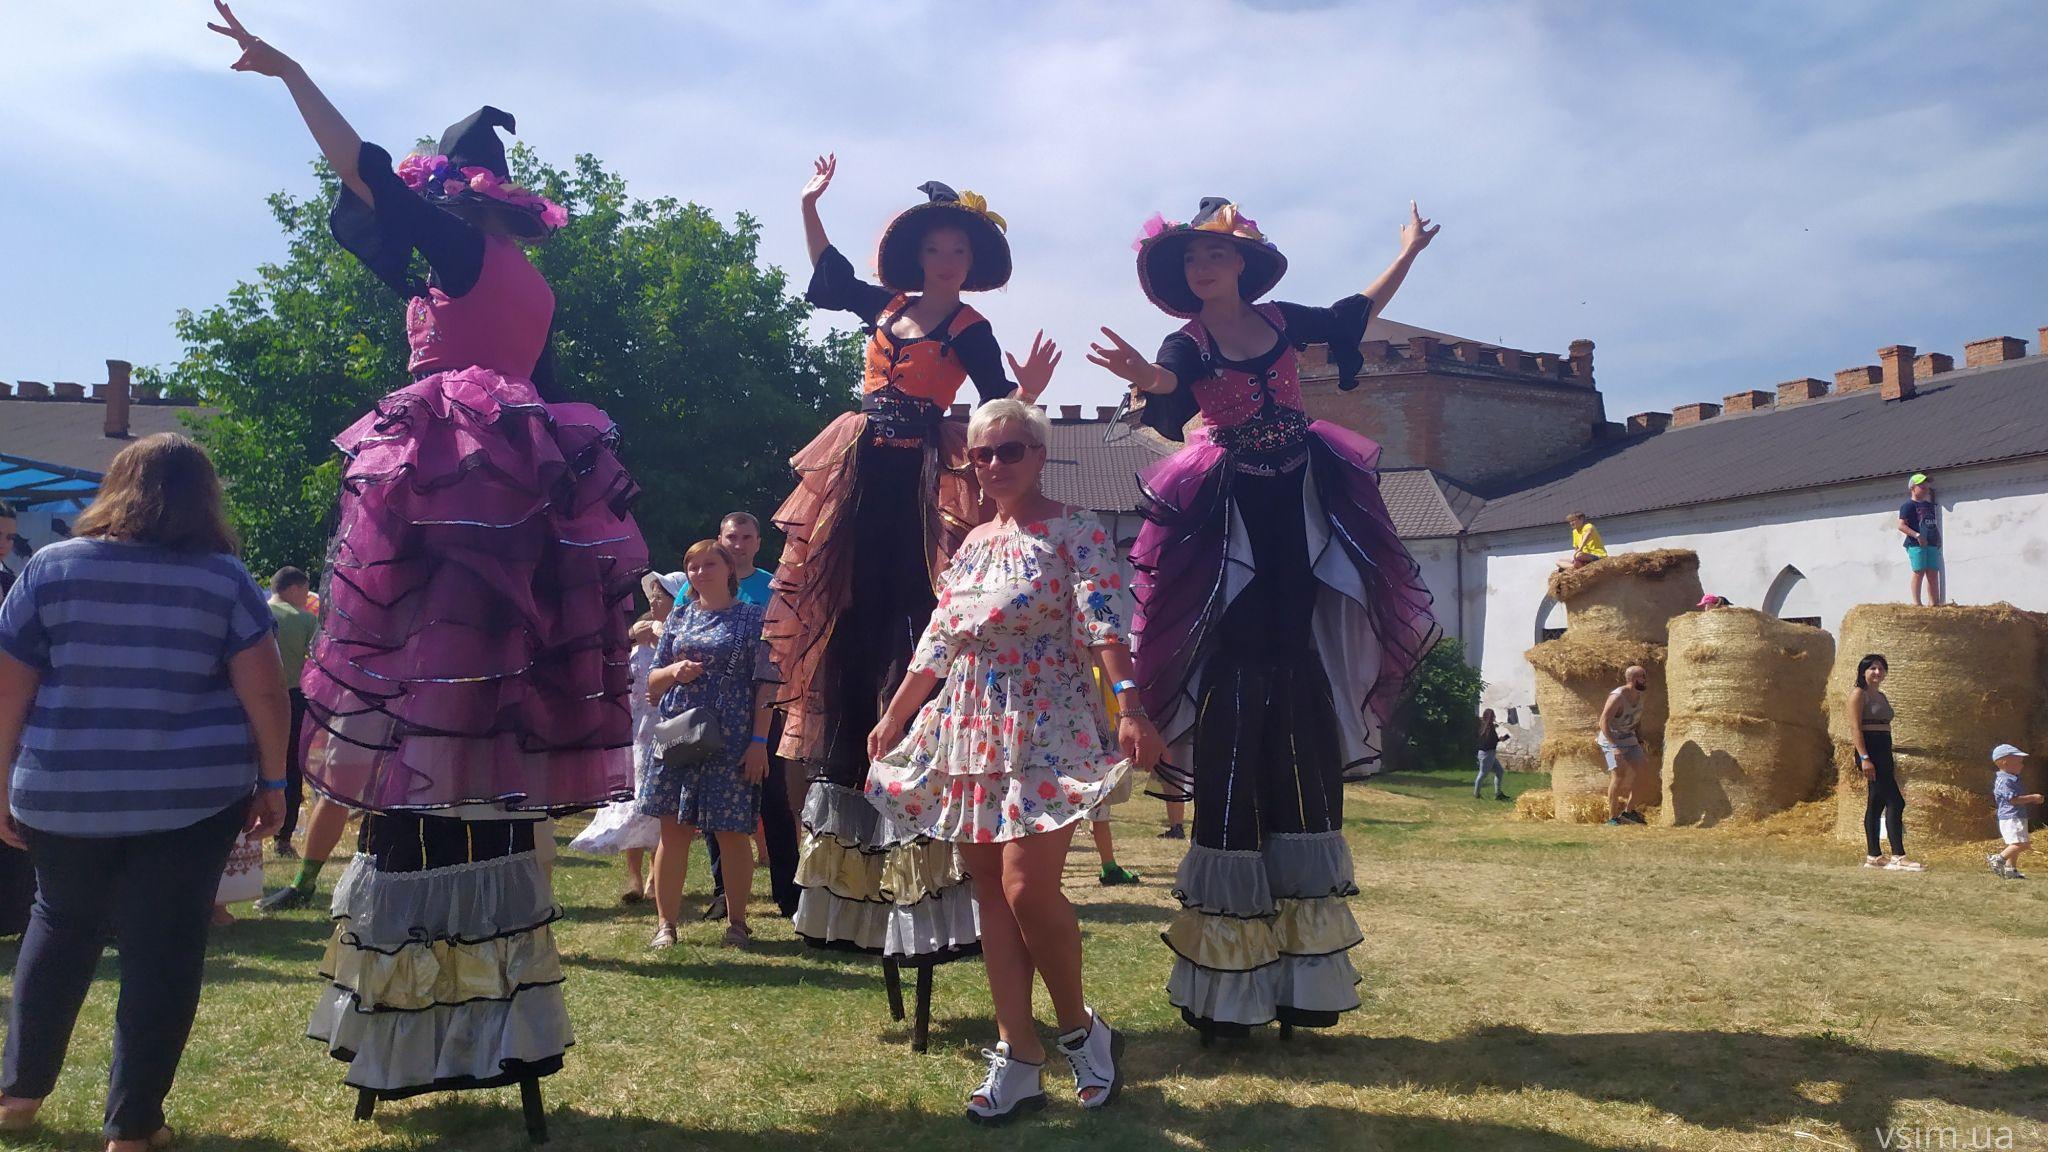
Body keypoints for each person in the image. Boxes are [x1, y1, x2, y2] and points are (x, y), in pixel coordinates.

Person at [212, 4, 646, 1109]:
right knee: (482, 682)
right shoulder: (500, 274)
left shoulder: (461, 248)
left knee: (429, 667)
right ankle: (471, 994)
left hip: (462, 481)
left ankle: (424, 1006)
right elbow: (380, 212)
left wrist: (295, 74)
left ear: (459, 196)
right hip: (511, 478)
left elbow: (364, 174)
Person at [1087, 197, 1439, 1039]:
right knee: (1239, 675)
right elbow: (1172, 386)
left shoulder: (1282, 319)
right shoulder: (1188, 343)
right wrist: (1151, 381)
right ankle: (1227, 986)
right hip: (1231, 497)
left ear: (1243, 261)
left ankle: (1304, 979)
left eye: (1216, 254)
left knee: (1304, 654)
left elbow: (1357, 313)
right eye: (1192, 260)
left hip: (1302, 487)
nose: (1203, 268)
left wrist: (1408, 251)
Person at [766, 156, 1058, 967]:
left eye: (959, 253)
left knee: (916, 619)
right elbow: (827, 277)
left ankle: (923, 819)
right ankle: (835, 868)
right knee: (846, 621)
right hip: (862, 469)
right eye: (937, 249)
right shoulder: (886, 305)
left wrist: (1027, 395)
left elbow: (998, 405)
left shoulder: (969, 330)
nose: (947, 261)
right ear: (918, 256)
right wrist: (808, 203)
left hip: (925, 473)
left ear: (972, 265)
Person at [866, 399, 1161, 1121]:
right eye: (983, 454)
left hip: (1045, 720)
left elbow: (1104, 625)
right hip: (969, 724)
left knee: (1030, 890)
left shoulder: (1075, 530)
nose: (995, 465)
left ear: (1040, 453)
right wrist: (895, 714)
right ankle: (1017, 1050)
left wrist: (1129, 704)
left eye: (1012, 450)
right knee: (991, 896)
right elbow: (939, 640)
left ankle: (1080, 1031)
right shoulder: (969, 545)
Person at [0, 433, 290, 1152]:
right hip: (190, 794)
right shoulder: (223, 578)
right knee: (164, 949)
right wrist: (275, 780)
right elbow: (265, 691)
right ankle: (133, 1127)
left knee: (60, 926)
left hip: (64, 789)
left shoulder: (48, 568)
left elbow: (8, 691)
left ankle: (16, 1096)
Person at [641, 542, 779, 949]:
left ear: (728, 569)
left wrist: (759, 742)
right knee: (674, 830)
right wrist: (672, 671)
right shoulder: (679, 617)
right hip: (679, 733)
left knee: (731, 831)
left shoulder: (753, 619)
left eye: (709, 564)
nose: (700, 572)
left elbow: (767, 685)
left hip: (732, 736)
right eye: (693, 566)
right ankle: (666, 925)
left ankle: (738, 923)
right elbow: (651, 683)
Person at [701, 511, 800, 921]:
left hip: (765, 709)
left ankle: (789, 896)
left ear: (758, 542)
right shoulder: (702, 587)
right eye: (731, 536)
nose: (738, 543)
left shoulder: (772, 588)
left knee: (775, 802)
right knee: (713, 806)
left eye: (745, 537)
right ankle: (725, 893)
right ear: (720, 539)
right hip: (715, 714)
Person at [569, 571, 674, 901]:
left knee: (660, 805)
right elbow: (607, 666)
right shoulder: (639, 631)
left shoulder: (681, 633)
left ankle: (657, 878)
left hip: (668, 729)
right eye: (653, 596)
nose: (654, 601)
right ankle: (633, 876)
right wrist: (630, 636)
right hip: (634, 731)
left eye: (661, 596)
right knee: (632, 802)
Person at [1847, 654, 1924, 871]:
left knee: (1876, 802)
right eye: (1872, 668)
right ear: (1863, 671)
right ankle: (1898, 856)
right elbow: (1855, 729)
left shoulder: (1881, 696)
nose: (1877, 672)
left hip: (1883, 750)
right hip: (1870, 751)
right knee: (1896, 802)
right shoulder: (1858, 695)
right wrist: (1864, 758)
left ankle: (1874, 857)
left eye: (1881, 668)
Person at [267, 566, 318, 858]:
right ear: (295, 588)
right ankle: (283, 838)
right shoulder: (304, 620)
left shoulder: (256, 612)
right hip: (292, 699)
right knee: (290, 766)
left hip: (250, 698)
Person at [1088, 668, 1141, 886]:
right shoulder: (1100, 674)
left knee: (1094, 815)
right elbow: (1117, 715)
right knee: (1098, 814)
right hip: (1092, 750)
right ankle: (1108, 866)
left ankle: (1109, 866)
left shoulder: (1097, 674)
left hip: (1083, 749)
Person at [1597, 666, 1650, 826]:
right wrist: (1614, 747)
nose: (1645, 680)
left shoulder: (1640, 695)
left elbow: (1636, 719)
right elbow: (1603, 722)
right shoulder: (1617, 697)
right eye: (1643, 677)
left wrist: (1640, 739)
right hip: (1612, 740)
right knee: (1619, 776)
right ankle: (1612, 818)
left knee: (1643, 773)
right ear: (1634, 679)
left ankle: (1629, 812)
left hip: (1629, 738)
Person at [1987, 744, 2039, 880]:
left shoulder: (2010, 778)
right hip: (2012, 816)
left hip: (2015, 815)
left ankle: (2011, 869)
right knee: (2022, 844)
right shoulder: (2005, 781)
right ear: (2005, 762)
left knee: (2015, 843)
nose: (2022, 765)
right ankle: (1998, 859)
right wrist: (2033, 798)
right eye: (2019, 762)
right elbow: (2013, 800)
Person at [1899, 473, 1943, 607]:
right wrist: (1917, 535)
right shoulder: (1908, 506)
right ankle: (1917, 604)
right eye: (1921, 485)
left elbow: (1932, 524)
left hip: (1932, 543)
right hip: (1916, 544)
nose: (1925, 488)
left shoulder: (1930, 506)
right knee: (1919, 571)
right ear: (1913, 487)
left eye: (1926, 485)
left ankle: (1933, 603)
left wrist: (1938, 538)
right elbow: (1901, 525)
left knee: (1933, 573)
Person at [1475, 708, 1510, 800]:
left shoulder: (1487, 726)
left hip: (1489, 753)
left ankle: (1498, 794)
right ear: (1489, 717)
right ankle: (1476, 794)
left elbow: (1490, 740)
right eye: (1492, 716)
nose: (1494, 717)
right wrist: (1500, 739)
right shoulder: (1487, 728)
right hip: (1487, 754)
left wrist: (1499, 739)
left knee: (1499, 771)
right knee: (1483, 774)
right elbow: (1488, 741)